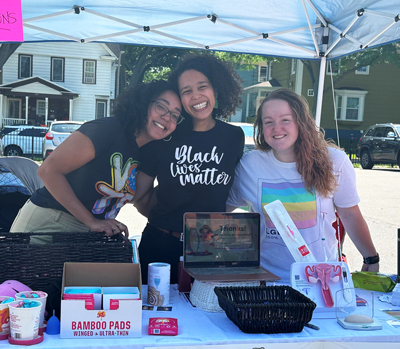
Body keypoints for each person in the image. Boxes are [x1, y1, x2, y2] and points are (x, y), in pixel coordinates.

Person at [227, 88, 379, 281]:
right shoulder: (249, 165)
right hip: (267, 279)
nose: (277, 128)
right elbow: (224, 210)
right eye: (268, 122)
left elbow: (349, 214)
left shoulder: (335, 161)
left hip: (321, 279)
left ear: (301, 122)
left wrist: (371, 258)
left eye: (285, 120)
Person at [10, 80, 182, 239]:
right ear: (144, 105)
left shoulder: (145, 152)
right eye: (161, 107)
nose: (167, 117)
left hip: (87, 233)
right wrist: (91, 221)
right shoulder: (108, 129)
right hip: (48, 223)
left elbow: (135, 197)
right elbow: (47, 171)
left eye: (175, 115)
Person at [134, 54, 245, 284]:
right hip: (160, 247)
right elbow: (139, 195)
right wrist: (169, 223)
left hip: (210, 248)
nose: (196, 96)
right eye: (186, 91)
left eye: (202, 86)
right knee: (155, 314)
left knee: (206, 314)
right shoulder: (166, 133)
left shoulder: (234, 137)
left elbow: (227, 193)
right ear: (180, 99)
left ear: (216, 88)